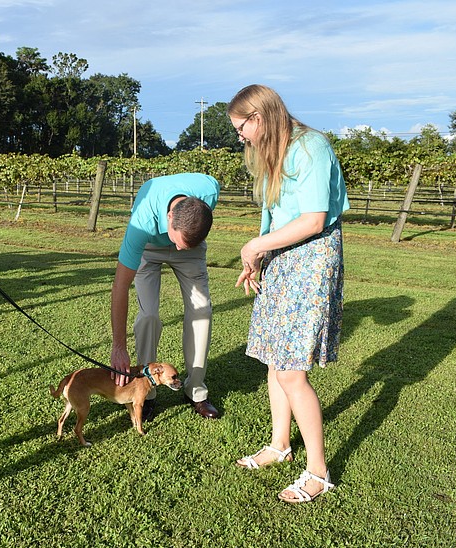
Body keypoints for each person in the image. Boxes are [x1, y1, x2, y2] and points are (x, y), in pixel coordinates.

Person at [228, 84, 349, 503]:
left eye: (242, 127)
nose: (240, 136)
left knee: (291, 370)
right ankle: (280, 445)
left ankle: (318, 471)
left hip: (311, 262)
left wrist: (256, 246)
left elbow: (314, 220)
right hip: (281, 260)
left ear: (260, 117)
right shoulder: (271, 153)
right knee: (273, 359)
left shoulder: (311, 146)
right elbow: (277, 215)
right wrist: (259, 256)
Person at [111, 172, 220, 420]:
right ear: (169, 217)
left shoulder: (209, 191)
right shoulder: (142, 222)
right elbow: (120, 286)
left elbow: (186, 242)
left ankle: (196, 391)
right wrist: (118, 346)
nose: (179, 249)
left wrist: (189, 244)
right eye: (179, 243)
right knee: (149, 314)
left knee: (202, 311)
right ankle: (147, 391)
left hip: (191, 243)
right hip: (149, 248)